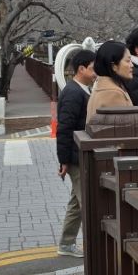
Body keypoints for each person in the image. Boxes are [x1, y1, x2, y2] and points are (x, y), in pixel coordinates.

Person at [55, 49, 96, 258]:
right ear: (82, 69)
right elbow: (64, 128)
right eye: (93, 67)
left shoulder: (81, 89)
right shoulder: (74, 92)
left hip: (76, 155)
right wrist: (63, 160)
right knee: (86, 202)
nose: (96, 71)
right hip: (75, 156)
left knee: (77, 202)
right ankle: (93, 247)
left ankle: (66, 243)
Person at [87, 41, 134, 120]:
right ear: (114, 66)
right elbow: (123, 129)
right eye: (128, 61)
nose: (132, 65)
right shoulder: (113, 93)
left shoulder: (101, 88)